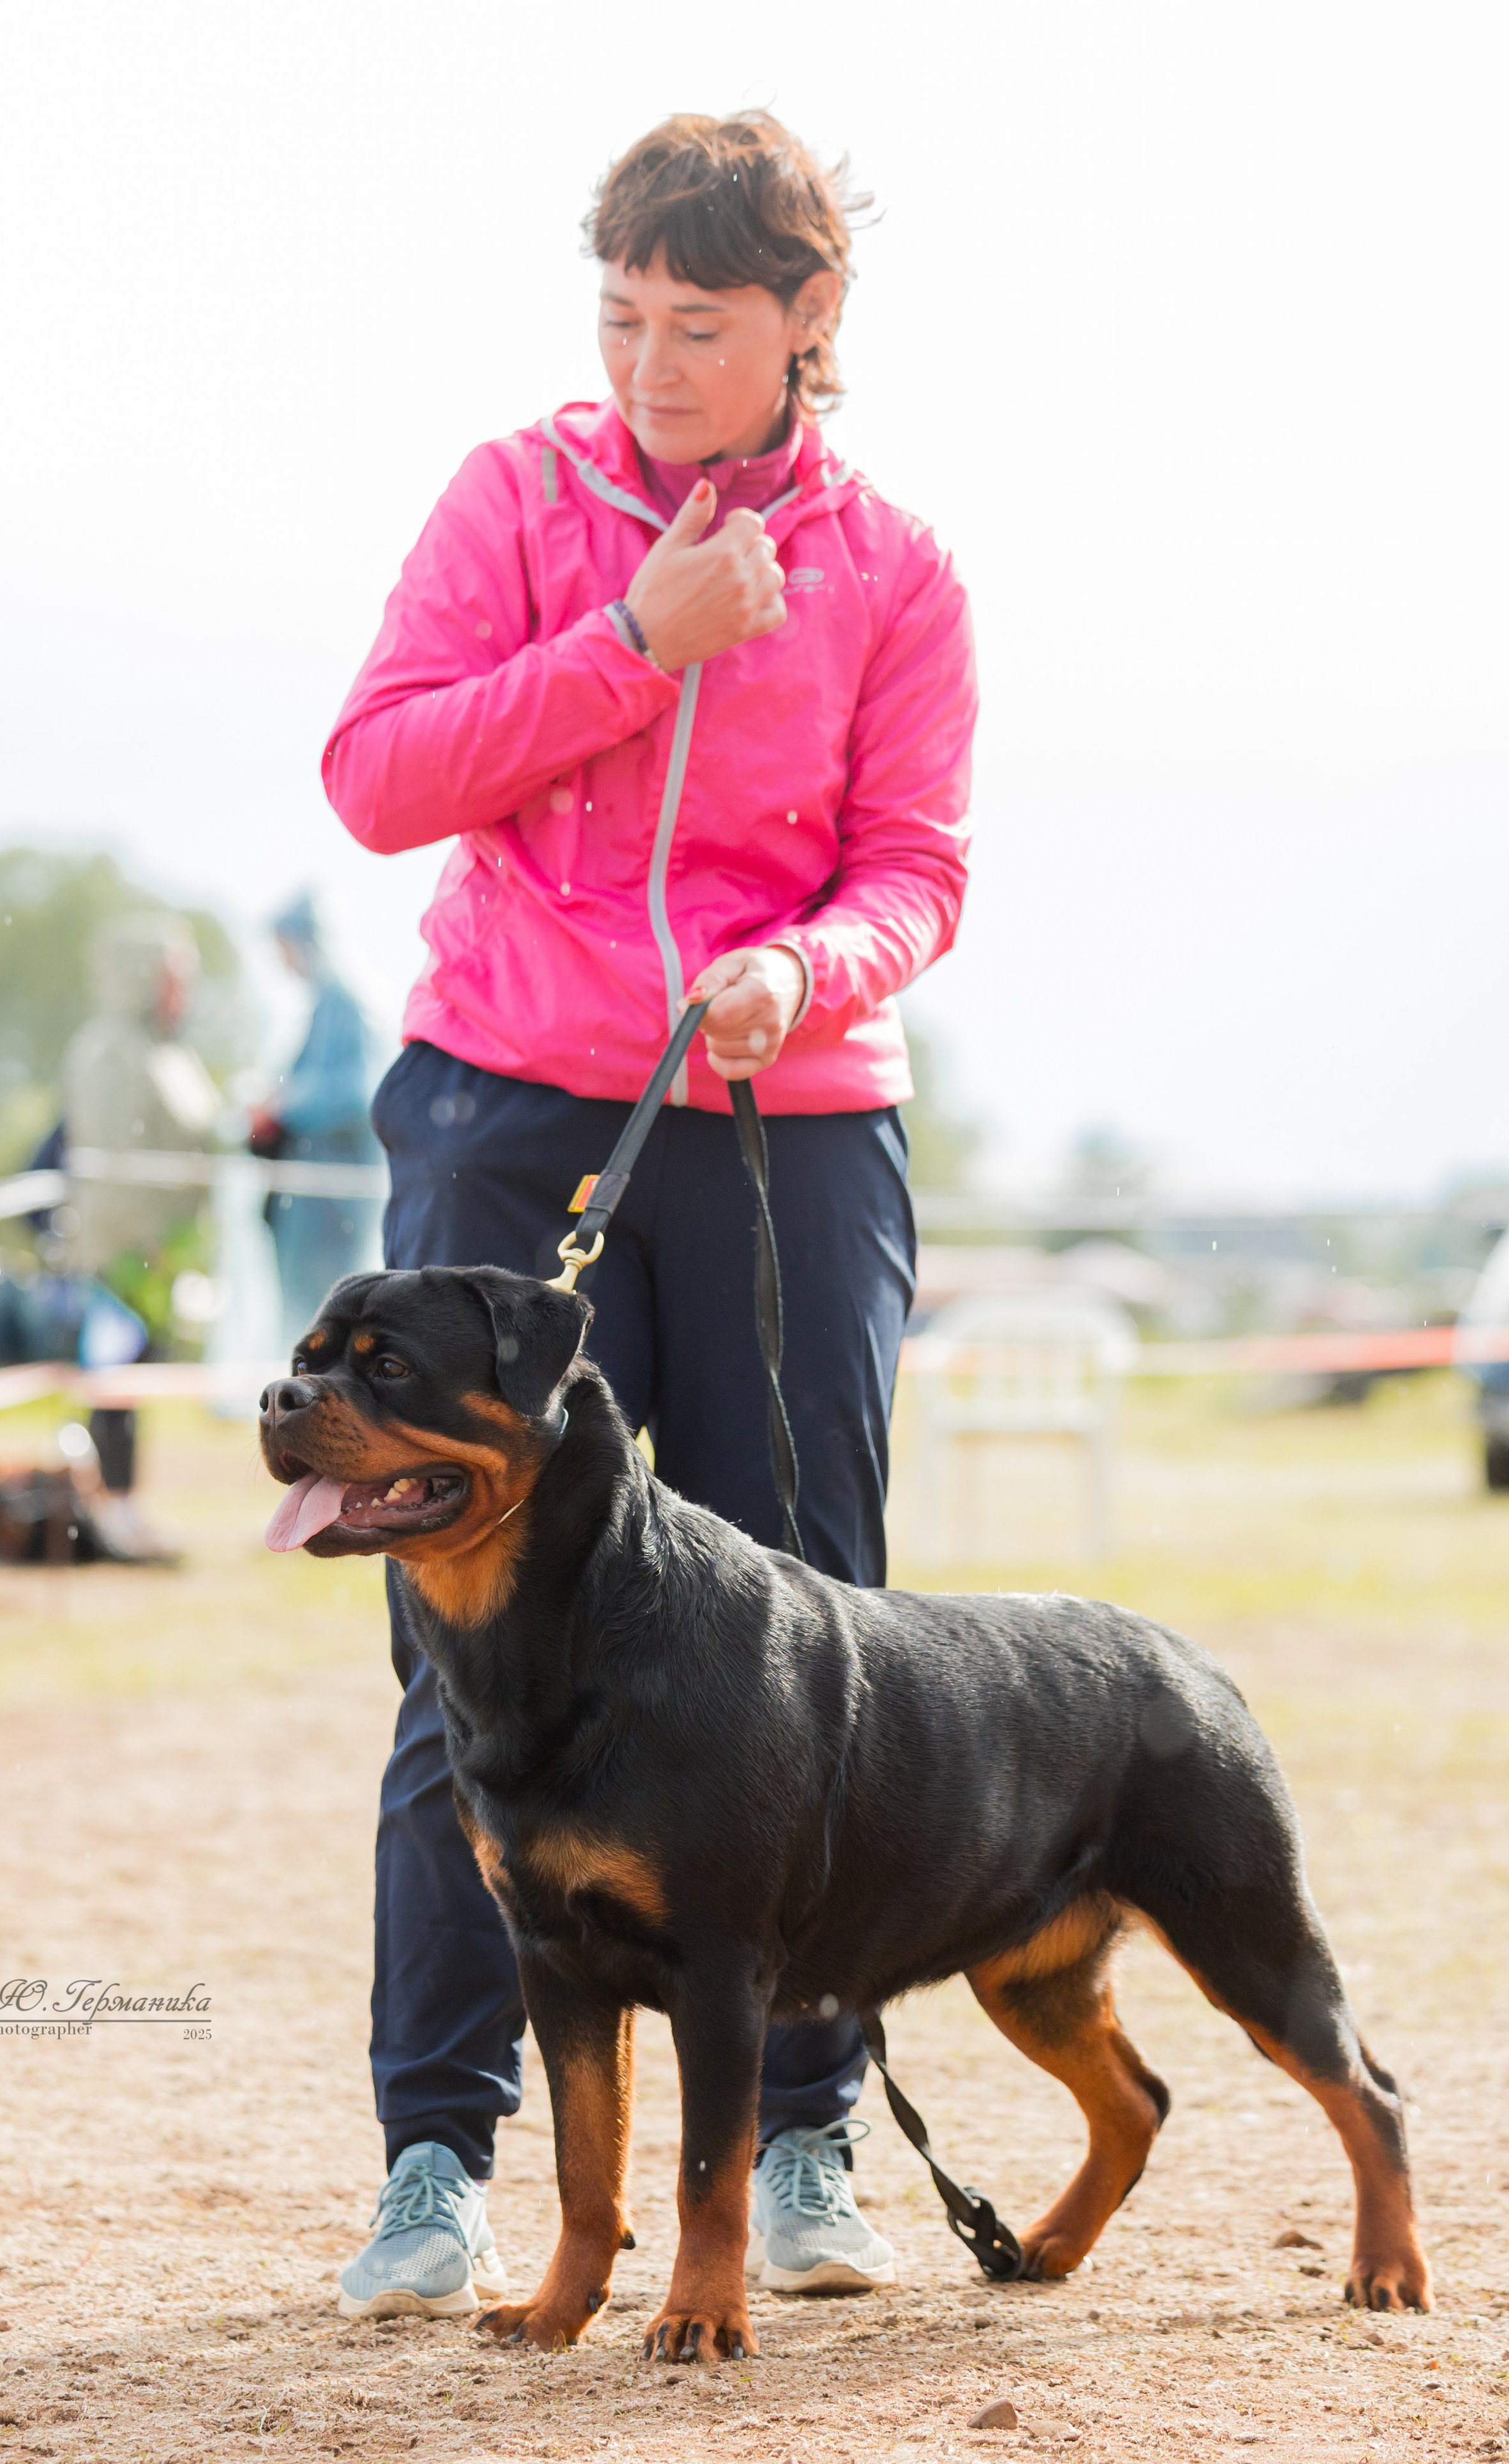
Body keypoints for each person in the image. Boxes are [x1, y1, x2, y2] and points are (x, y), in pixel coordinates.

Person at [318, 111, 977, 2321]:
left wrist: (816, 968)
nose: (653, 363)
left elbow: (920, 865)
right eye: (622, 318)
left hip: (790, 1119)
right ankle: (436, 2156)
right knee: (461, 1634)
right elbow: (384, 771)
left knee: (820, 1645)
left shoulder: (902, 568)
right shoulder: (514, 499)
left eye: (703, 324)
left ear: (810, 324)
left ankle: (804, 2135)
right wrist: (631, 633)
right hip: (514, 1098)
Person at [61, 913, 220, 1561]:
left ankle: (122, 1509)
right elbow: (117, 1162)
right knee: (112, 1383)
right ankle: (105, 1515)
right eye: (173, 976)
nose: (183, 990)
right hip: (117, 1256)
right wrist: (141, 1243)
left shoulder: (165, 1053)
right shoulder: (109, 1052)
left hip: (156, 1258)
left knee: (136, 1379)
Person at [249, 894, 378, 1344]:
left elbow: (357, 1094)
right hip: (312, 1204)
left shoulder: (344, 1004)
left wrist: (281, 1107)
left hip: (331, 1206)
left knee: (328, 1323)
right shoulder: (322, 1006)